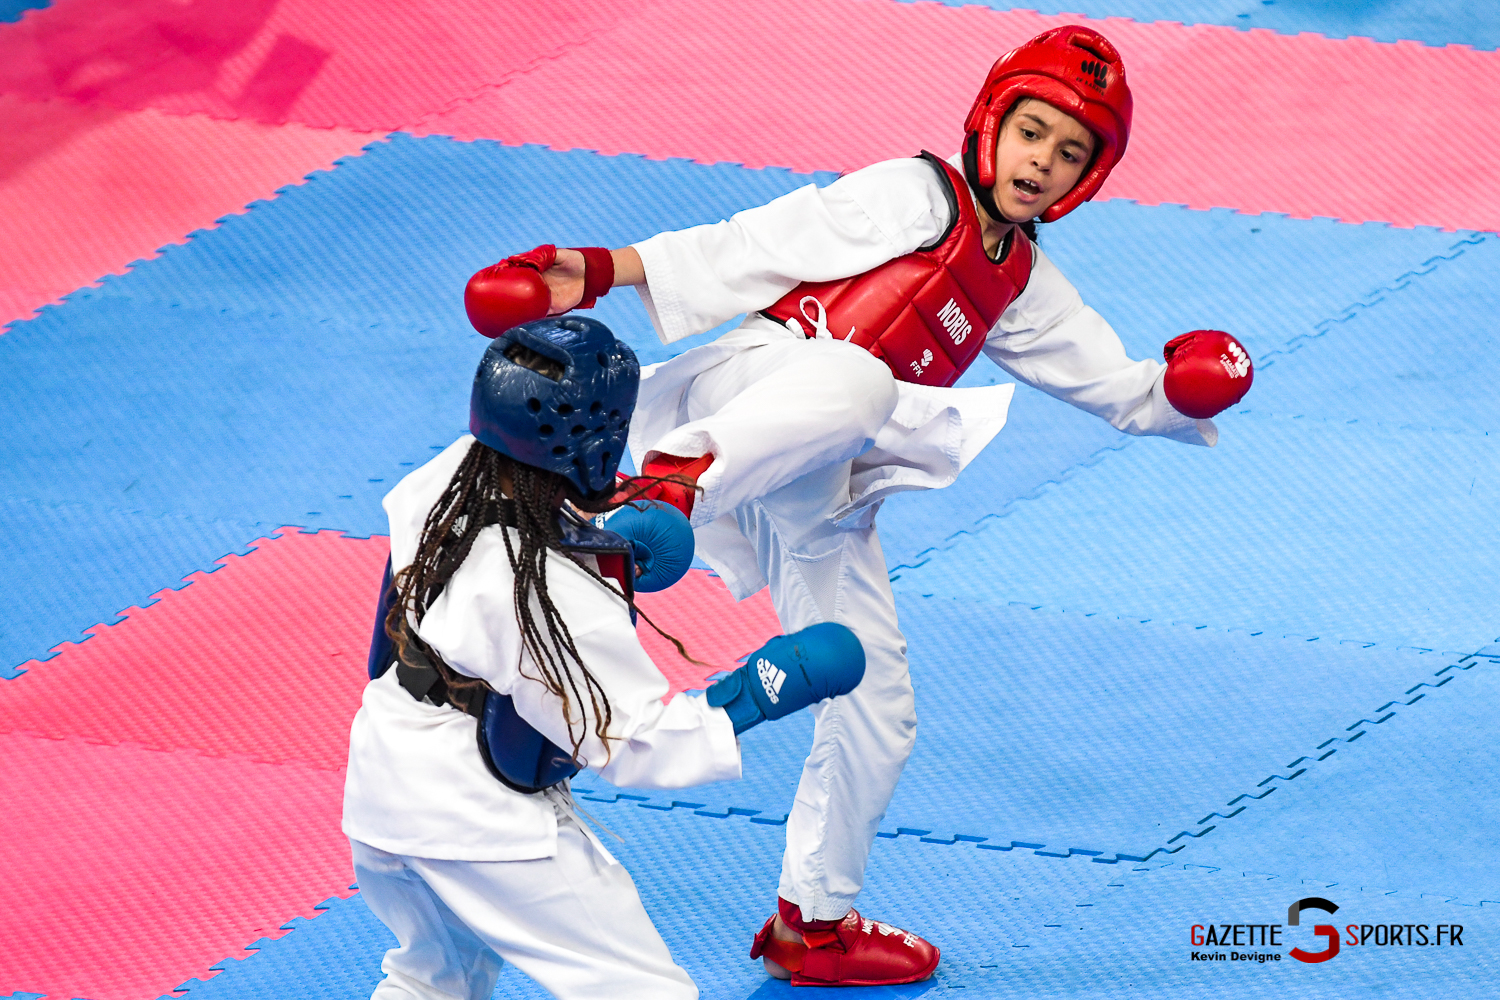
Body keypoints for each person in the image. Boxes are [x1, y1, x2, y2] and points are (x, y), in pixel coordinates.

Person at [462, 25, 1253, 988]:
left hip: (822, 481)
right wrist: (593, 269)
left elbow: (1116, 387)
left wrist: (1185, 389)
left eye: (1070, 152)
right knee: (859, 378)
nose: (1042, 162)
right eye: (1033, 132)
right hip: (753, 401)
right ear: (992, 122)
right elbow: (751, 244)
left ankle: (813, 924)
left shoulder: (1022, 282)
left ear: (1087, 178)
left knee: (879, 704)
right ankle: (656, 500)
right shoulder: (913, 194)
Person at [342, 315, 868, 1000]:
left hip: (381, 790)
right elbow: (634, 744)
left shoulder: (440, 481)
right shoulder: (554, 592)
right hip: (479, 823)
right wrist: (759, 689)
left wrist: (607, 531)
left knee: (433, 979)